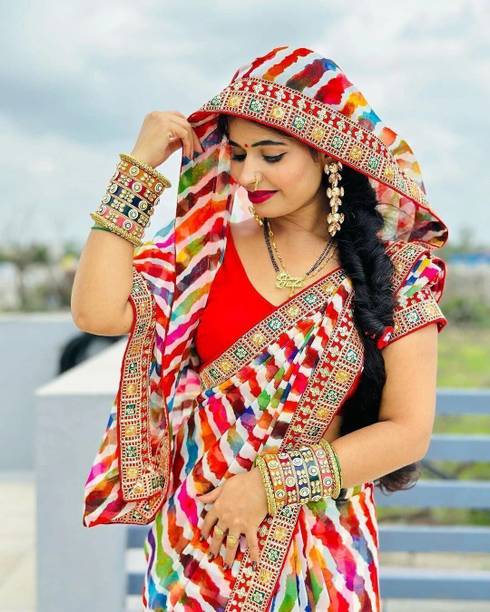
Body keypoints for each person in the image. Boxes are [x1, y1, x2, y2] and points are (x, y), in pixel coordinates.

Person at [72, 45, 449, 611]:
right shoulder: (205, 251)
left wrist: (269, 486)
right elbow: (96, 312)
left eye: (271, 155)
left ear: (326, 153)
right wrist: (138, 170)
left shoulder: (399, 271)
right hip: (195, 553)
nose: (247, 175)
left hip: (325, 556)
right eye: (239, 153)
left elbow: (408, 431)